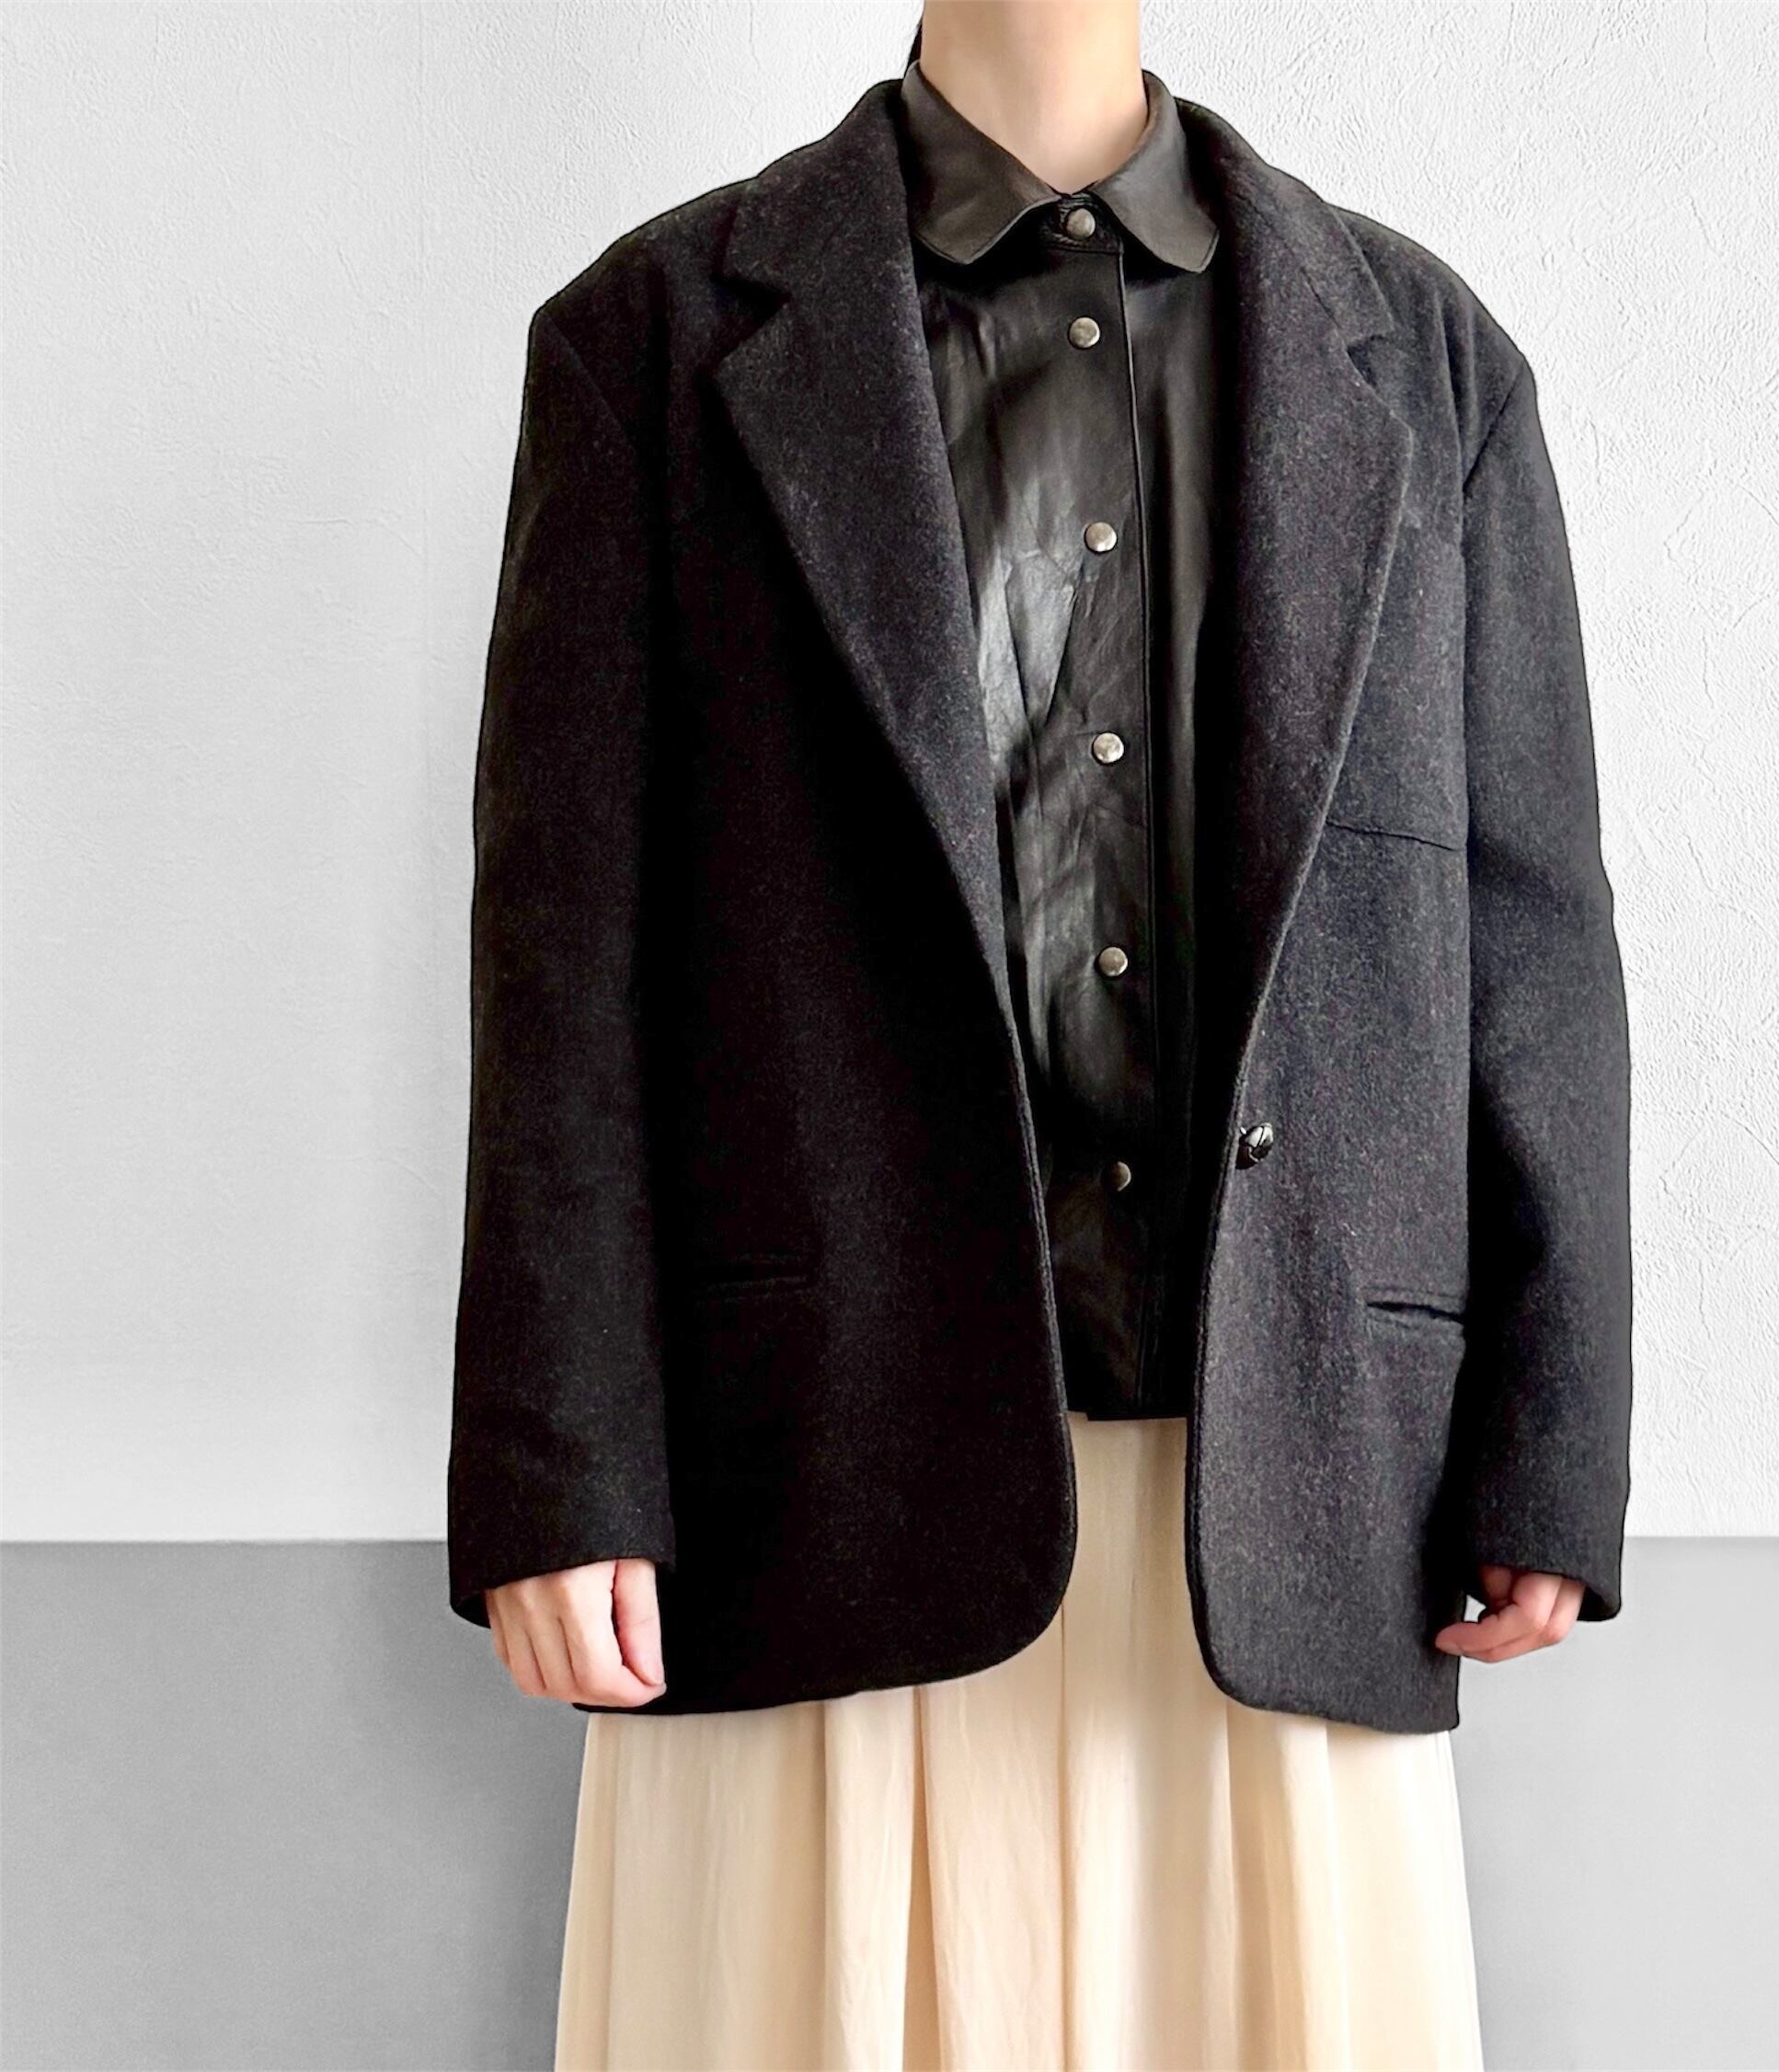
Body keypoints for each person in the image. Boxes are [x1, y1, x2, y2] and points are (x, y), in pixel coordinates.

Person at [446, 2, 1633, 2065]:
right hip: (815, 1485)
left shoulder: (1427, 360)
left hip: (1291, 1488)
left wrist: (1552, 1437)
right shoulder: (648, 341)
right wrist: (561, 1469)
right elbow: (562, 954)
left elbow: (1526, 931)